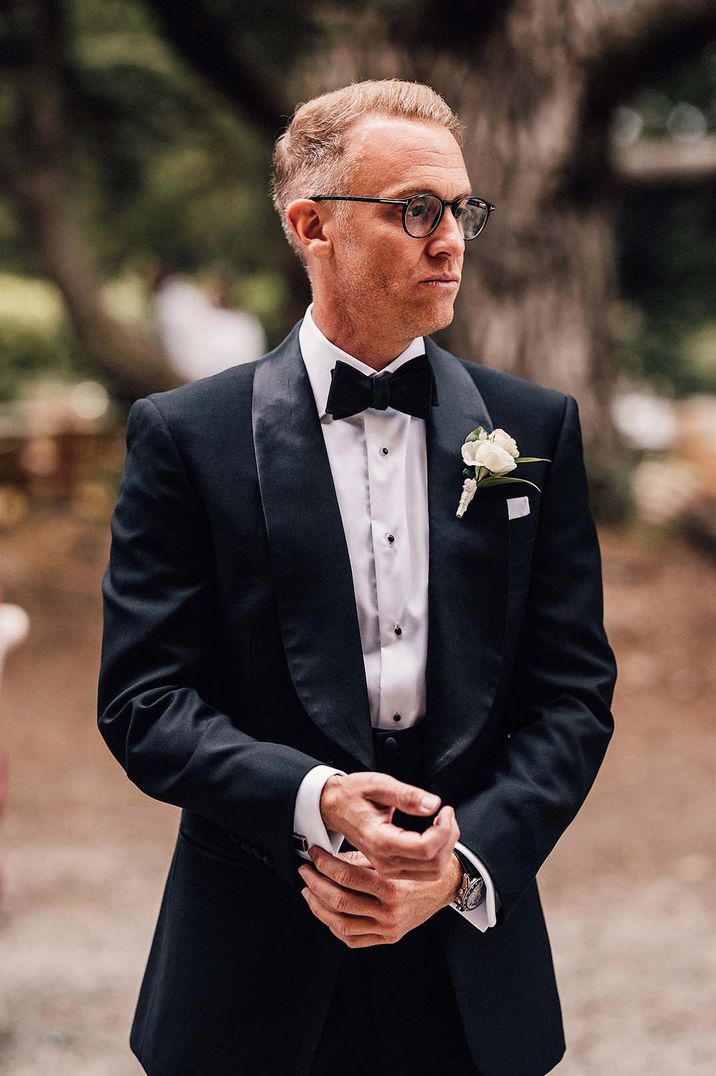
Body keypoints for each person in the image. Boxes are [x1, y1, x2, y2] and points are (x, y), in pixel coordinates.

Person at [97, 79, 617, 1076]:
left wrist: (458, 864)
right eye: (414, 209)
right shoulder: (184, 437)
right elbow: (145, 701)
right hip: (252, 965)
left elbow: (572, 695)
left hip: (469, 970)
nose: (450, 239)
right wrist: (315, 796)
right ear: (311, 226)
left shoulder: (530, 428)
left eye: (460, 209)